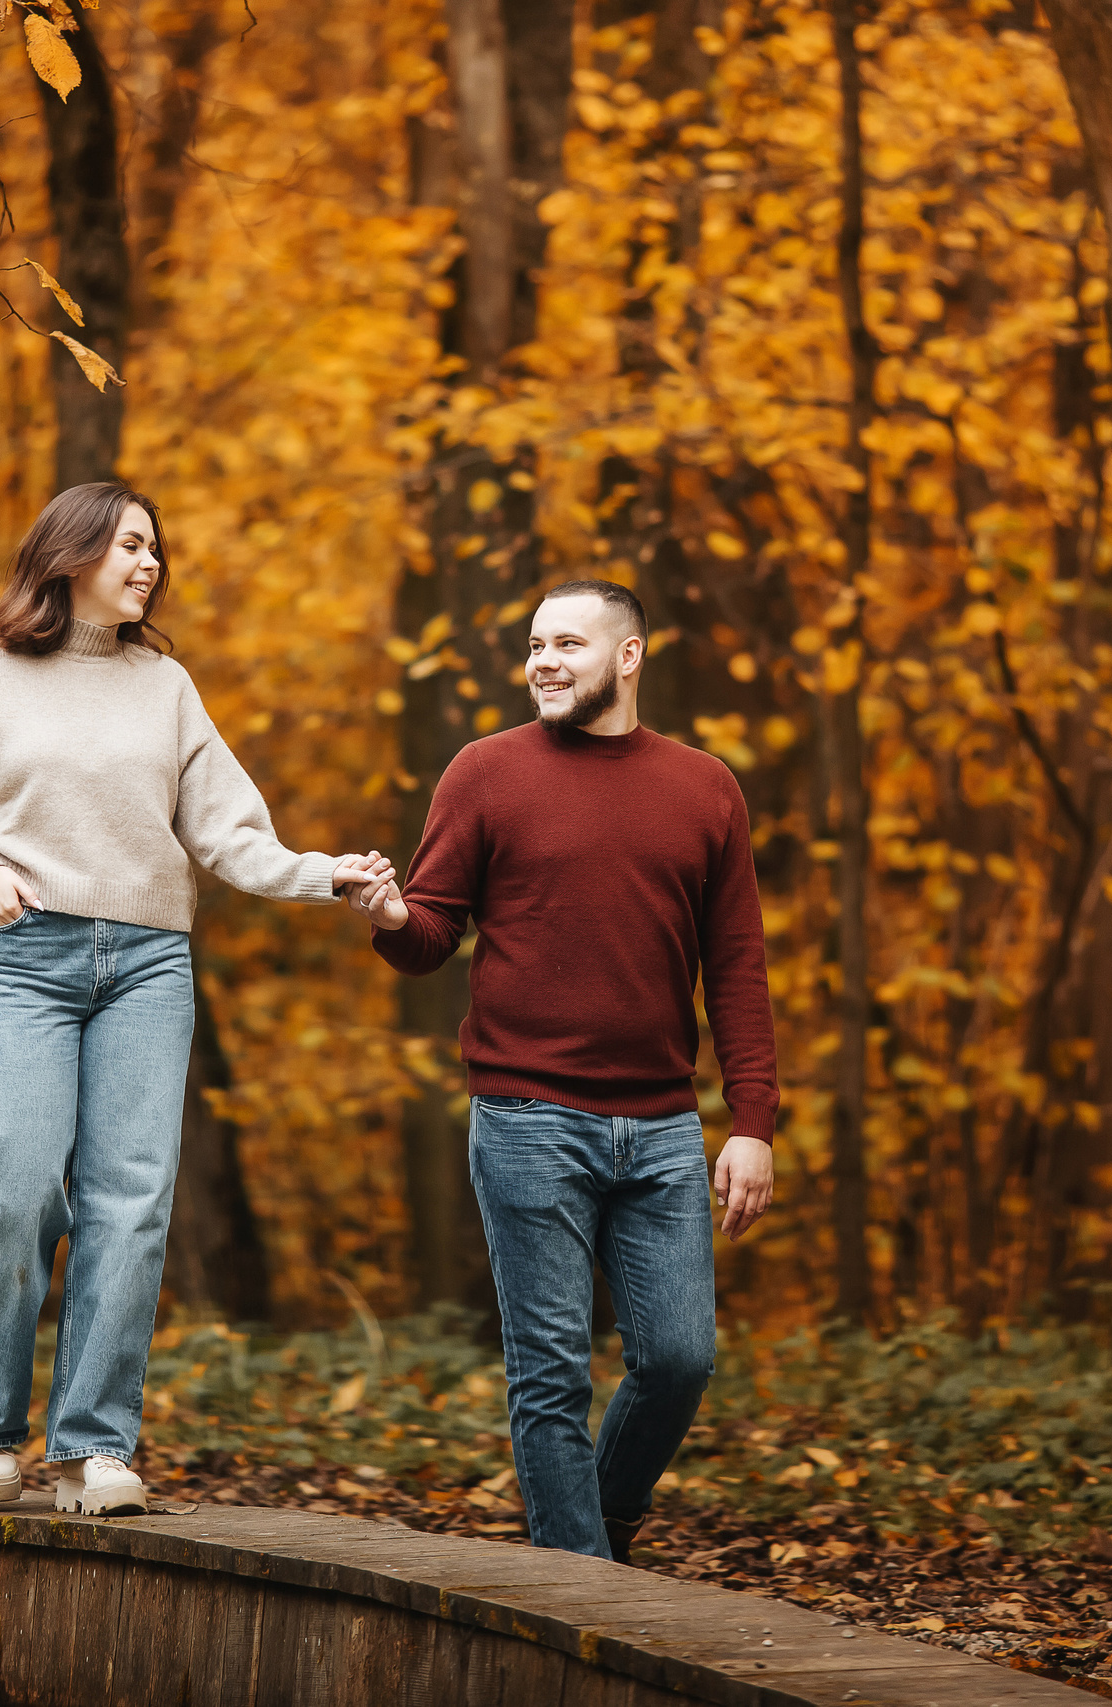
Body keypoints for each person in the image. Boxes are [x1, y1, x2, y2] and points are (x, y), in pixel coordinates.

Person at [0, 482, 392, 1516]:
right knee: (21, 1182)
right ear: (69, 554)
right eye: (128, 544)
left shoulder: (165, 687)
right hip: (25, 957)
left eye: (155, 546)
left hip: (149, 966)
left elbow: (228, 830)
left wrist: (320, 872)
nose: (149, 562)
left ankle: (92, 1448)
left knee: (130, 1201)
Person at [346, 578, 778, 1563]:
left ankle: (602, 1523)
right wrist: (389, 916)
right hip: (526, 1116)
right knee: (549, 1379)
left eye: (568, 644)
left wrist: (751, 1121)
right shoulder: (484, 772)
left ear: (628, 656)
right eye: (536, 644)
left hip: (662, 1126)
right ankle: (581, 1594)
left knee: (678, 1360)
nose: (543, 661)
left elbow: (737, 965)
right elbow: (429, 936)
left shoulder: (705, 786)